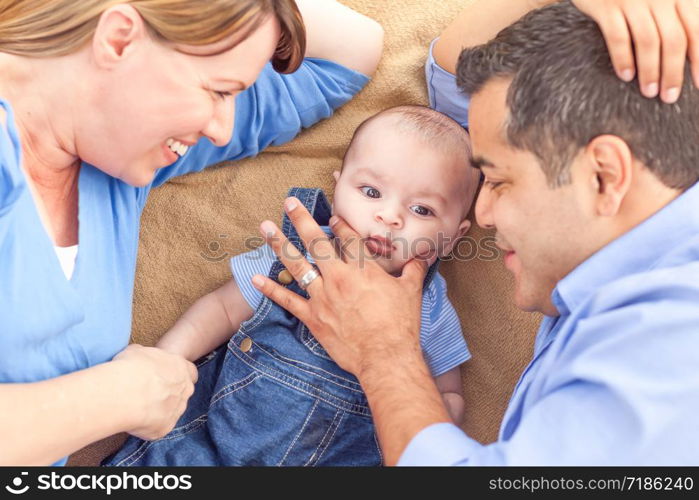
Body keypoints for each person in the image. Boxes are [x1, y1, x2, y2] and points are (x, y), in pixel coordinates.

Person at [249, 0, 699, 465]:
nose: (482, 215)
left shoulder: (671, 340)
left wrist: (383, 355)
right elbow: (454, 81)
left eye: (499, 182)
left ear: (604, 176)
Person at [0, 0, 383, 466]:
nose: (222, 130)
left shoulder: (118, 162)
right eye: (219, 91)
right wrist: (122, 397)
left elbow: (350, 53)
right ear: (119, 39)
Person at [102, 105, 481, 465]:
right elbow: (222, 309)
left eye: (422, 210)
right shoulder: (296, 257)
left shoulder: (427, 304)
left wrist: (444, 416)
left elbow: (446, 388)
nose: (389, 216)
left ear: (452, 237)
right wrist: (167, 358)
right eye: (370, 192)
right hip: (212, 440)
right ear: (338, 189)